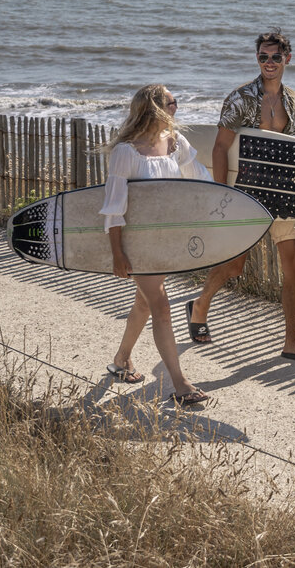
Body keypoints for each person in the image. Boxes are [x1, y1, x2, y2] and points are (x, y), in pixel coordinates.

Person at [185, 29, 295, 364]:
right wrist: (225, 194)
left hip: (280, 189)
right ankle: (200, 305)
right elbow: (220, 148)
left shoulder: (293, 99)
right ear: (257, 59)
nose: (270, 63)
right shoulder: (241, 99)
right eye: (263, 57)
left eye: (276, 57)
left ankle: (291, 342)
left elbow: (289, 149)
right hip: (247, 191)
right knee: (235, 266)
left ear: (287, 58)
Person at [99, 84, 212, 406]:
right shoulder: (126, 152)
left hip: (166, 239)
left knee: (145, 304)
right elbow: (114, 207)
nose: (178, 106)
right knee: (161, 307)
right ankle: (180, 385)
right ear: (156, 108)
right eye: (173, 101)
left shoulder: (177, 143)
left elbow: (201, 180)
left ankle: (121, 360)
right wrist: (117, 253)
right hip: (138, 242)